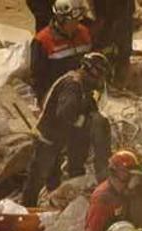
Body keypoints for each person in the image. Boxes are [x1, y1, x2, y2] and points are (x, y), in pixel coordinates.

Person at [23, 52, 112, 207]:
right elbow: (65, 113)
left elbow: (92, 109)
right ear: (92, 71)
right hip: (47, 138)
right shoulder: (72, 85)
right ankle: (25, 211)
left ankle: (51, 209)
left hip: (58, 139)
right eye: (100, 76)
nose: (100, 81)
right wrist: (85, 124)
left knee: (54, 178)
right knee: (38, 177)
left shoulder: (83, 87)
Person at [31, 0, 92, 100]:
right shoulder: (43, 41)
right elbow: (38, 79)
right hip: (56, 96)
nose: (77, 24)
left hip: (82, 91)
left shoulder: (84, 32)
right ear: (60, 19)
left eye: (78, 20)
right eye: (73, 21)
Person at [84, 150, 142, 231]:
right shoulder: (103, 198)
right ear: (116, 172)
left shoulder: (122, 191)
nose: (134, 177)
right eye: (129, 172)